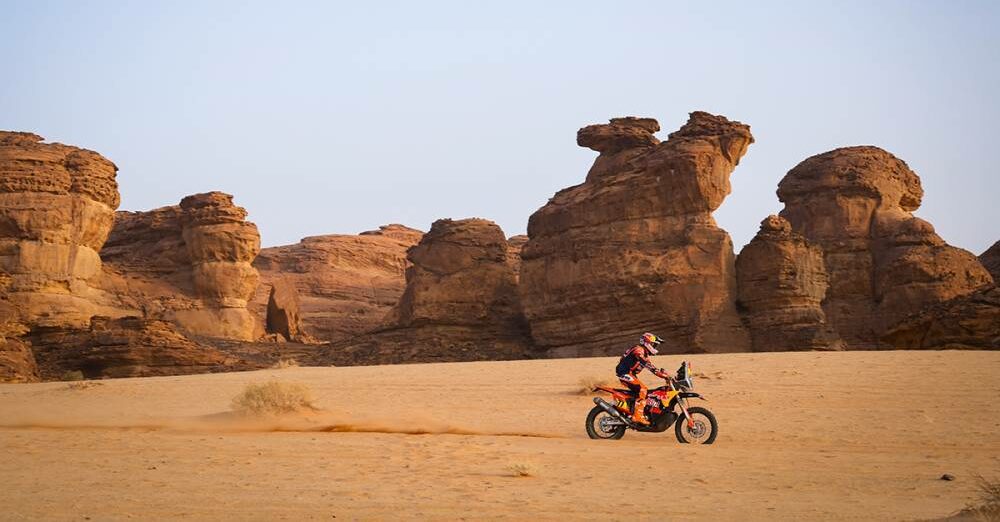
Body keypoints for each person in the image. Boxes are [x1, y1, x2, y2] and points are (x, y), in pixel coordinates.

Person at [615, 332, 670, 425]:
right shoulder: (639, 350)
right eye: (654, 344)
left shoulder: (643, 353)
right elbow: (649, 366)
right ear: (647, 343)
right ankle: (638, 416)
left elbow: (651, 366)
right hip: (625, 373)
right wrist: (662, 375)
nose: (655, 347)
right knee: (643, 390)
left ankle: (632, 410)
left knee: (644, 393)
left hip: (630, 374)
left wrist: (665, 374)